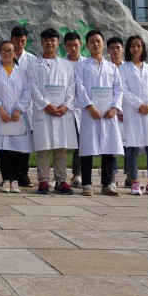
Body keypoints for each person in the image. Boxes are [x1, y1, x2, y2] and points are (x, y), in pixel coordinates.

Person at [27, 28, 77, 195]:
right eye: (46, 40)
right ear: (41, 42)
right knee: (42, 149)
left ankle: (61, 181)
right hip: (43, 112)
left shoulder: (67, 65)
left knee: (60, 148)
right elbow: (33, 87)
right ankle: (43, 181)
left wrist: (66, 105)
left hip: (62, 112)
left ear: (57, 43)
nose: (49, 43)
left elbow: (71, 87)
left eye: (53, 40)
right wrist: (45, 105)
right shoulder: (33, 65)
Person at [75, 30, 123, 197]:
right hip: (90, 113)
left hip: (108, 114)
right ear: (87, 45)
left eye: (98, 41)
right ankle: (87, 184)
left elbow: (118, 89)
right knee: (88, 149)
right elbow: (79, 88)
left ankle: (107, 183)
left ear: (103, 45)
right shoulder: (81, 66)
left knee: (109, 147)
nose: (96, 44)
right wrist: (90, 107)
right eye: (92, 42)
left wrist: (114, 108)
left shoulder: (112, 68)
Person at [120, 35, 148, 196]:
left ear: (143, 48)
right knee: (132, 148)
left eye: (138, 45)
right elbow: (123, 90)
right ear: (128, 49)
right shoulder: (123, 69)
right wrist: (140, 105)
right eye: (132, 46)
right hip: (133, 112)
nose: (136, 49)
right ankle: (134, 182)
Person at [0, 40, 32, 193]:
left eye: (10, 51)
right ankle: (6, 179)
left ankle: (15, 180)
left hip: (17, 116)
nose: (7, 53)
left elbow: (28, 92)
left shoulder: (23, 72)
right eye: (4, 50)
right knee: (4, 149)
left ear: (14, 53)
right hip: (1, 116)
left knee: (17, 149)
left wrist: (19, 110)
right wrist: (0, 109)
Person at [10, 25, 38, 188]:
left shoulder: (32, 60)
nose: (19, 44)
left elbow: (32, 85)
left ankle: (24, 175)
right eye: (16, 40)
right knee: (9, 142)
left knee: (25, 143)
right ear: (11, 39)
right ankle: (10, 175)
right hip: (8, 107)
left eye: (22, 41)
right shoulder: (3, 57)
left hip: (26, 108)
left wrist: (21, 106)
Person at [107, 35, 128, 186]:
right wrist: (116, 110)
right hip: (111, 111)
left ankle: (130, 175)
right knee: (112, 144)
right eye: (112, 48)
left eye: (118, 48)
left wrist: (124, 111)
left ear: (123, 49)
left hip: (129, 111)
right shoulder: (106, 68)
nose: (115, 51)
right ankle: (112, 176)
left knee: (129, 145)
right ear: (108, 50)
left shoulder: (129, 68)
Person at [64, 32, 84, 188]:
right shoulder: (60, 63)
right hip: (64, 108)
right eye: (69, 45)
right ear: (65, 46)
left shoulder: (86, 64)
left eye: (75, 45)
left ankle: (77, 174)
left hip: (81, 109)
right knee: (61, 143)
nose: (73, 48)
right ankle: (59, 175)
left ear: (80, 44)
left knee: (80, 143)